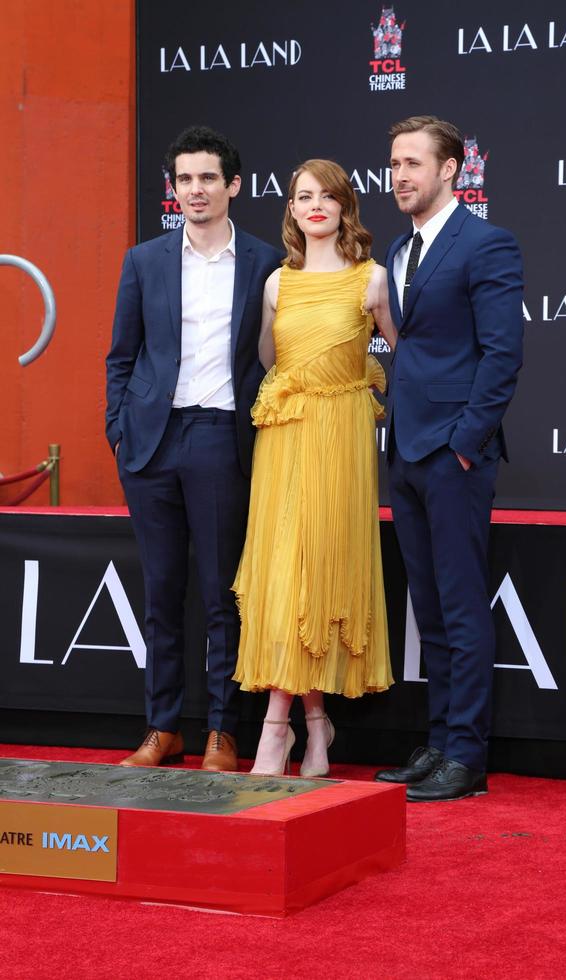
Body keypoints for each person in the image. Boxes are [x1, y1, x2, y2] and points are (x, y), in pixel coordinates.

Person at [105, 126, 282, 770]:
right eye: (185, 179)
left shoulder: (265, 262)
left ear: (233, 186)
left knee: (219, 595)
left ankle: (220, 730)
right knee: (160, 593)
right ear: (173, 188)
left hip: (219, 437)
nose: (196, 190)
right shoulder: (144, 260)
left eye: (208, 178)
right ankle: (161, 727)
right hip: (150, 443)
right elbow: (121, 354)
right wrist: (118, 427)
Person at [374, 116, 523, 801]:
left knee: (461, 608)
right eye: (394, 163)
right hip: (405, 453)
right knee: (428, 612)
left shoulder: (486, 245)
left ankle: (467, 754)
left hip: (452, 457)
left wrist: (464, 446)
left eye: (413, 163)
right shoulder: (400, 253)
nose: (399, 175)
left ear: (450, 170)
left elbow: (502, 356)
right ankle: (438, 744)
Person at [232, 159, 396, 777]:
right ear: (292, 210)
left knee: (322, 571)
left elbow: (409, 355)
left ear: (345, 205)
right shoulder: (276, 284)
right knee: (285, 575)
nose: (316, 205)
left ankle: (282, 729)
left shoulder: (373, 280)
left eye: (328, 195)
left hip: (343, 437)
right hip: (284, 438)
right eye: (305, 196)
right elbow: (271, 362)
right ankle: (313, 725)